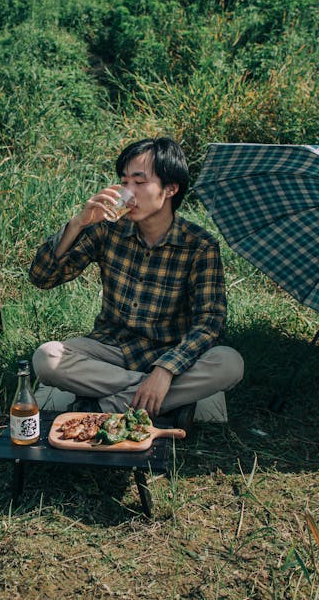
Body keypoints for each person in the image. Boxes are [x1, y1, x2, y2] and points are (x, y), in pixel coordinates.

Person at [28, 137, 243, 425]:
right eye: (124, 182)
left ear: (170, 189)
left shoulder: (200, 245)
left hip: (170, 350)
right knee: (46, 358)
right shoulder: (108, 228)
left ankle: (104, 405)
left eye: (139, 183)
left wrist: (165, 370)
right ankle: (158, 400)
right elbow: (42, 278)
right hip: (111, 350)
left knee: (229, 363)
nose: (128, 192)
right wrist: (78, 223)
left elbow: (210, 321)